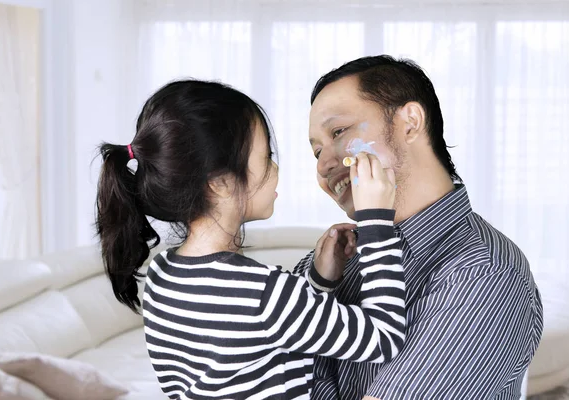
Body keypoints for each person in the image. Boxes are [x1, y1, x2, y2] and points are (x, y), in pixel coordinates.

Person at [94, 79, 408, 399]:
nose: (275, 168)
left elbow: (256, 335)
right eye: (265, 156)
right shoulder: (263, 293)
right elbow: (384, 339)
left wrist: (318, 278)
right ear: (219, 183)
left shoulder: (163, 272)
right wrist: (376, 224)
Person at [296, 55, 544, 400]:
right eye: (316, 152)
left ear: (410, 123)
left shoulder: (484, 273)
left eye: (339, 132)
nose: (323, 165)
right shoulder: (340, 257)